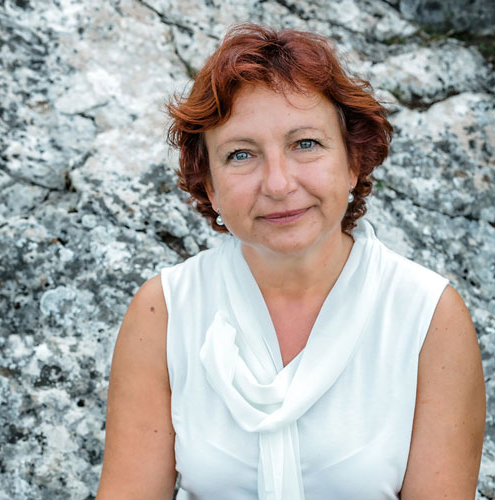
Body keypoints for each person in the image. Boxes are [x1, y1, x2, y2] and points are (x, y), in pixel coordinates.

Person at [95, 24, 485, 500]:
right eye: (241, 154)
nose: (278, 184)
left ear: (353, 161)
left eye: (305, 144)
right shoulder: (164, 312)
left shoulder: (429, 317)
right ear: (210, 186)